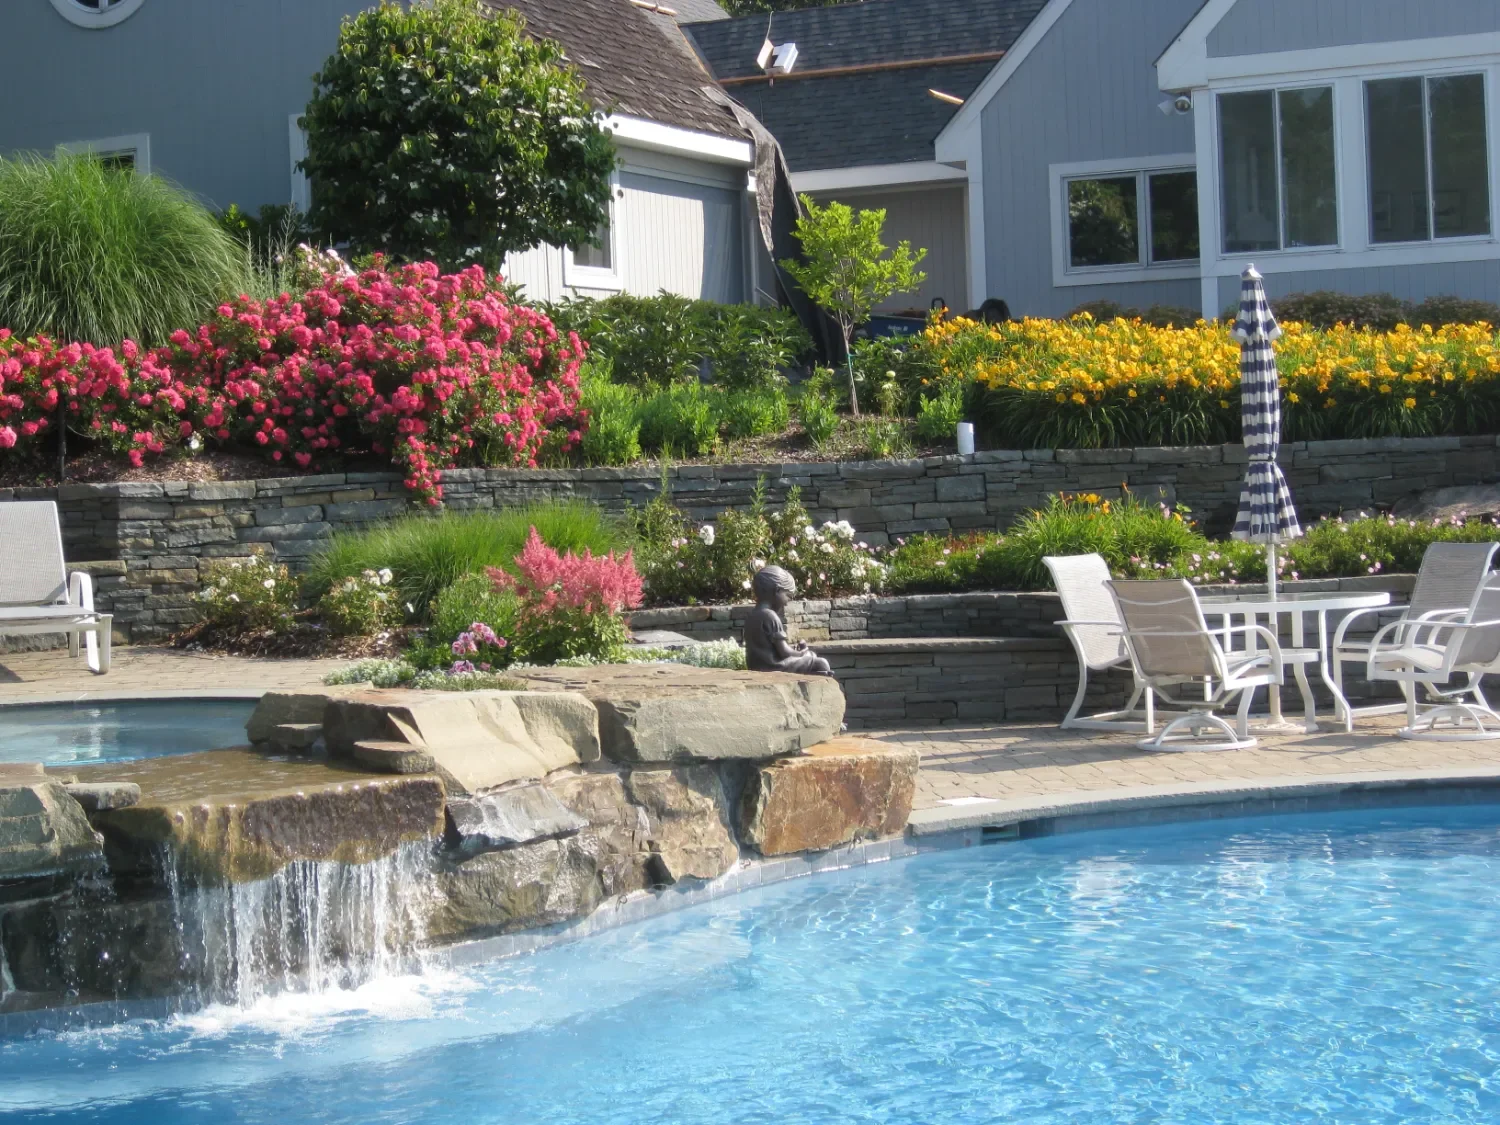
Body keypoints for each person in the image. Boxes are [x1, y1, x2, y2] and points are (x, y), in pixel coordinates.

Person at [743, 566, 833, 676]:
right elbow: (784, 652)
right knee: (820, 662)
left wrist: (794, 650)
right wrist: (801, 653)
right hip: (773, 667)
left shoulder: (752, 615)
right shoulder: (770, 616)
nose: (786, 603)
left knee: (810, 656)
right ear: (777, 591)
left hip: (756, 666)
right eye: (788, 596)